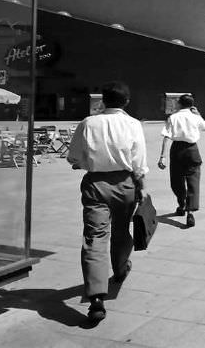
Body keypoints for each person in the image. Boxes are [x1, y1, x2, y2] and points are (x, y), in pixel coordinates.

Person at [67, 81, 148, 323]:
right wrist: (142, 187)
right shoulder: (133, 124)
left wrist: (85, 162)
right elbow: (139, 161)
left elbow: (73, 157)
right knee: (122, 231)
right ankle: (121, 268)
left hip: (95, 185)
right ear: (126, 101)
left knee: (95, 238)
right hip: (125, 184)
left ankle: (96, 299)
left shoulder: (88, 123)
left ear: (103, 100)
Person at [158, 94, 205, 228]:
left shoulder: (173, 117)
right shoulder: (195, 117)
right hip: (192, 150)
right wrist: (198, 114)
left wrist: (162, 156)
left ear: (179, 104)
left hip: (177, 150)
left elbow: (167, 137)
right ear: (191, 105)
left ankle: (182, 204)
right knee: (193, 180)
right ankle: (190, 212)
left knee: (176, 180)